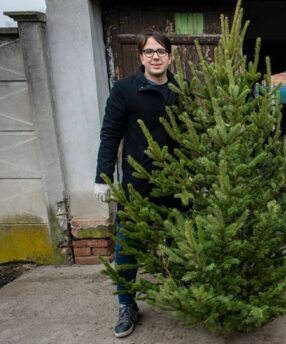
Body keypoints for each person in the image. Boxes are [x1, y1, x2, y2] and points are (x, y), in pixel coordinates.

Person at [94, 31, 178, 338]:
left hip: (175, 184)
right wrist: (103, 177)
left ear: (170, 56)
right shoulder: (125, 90)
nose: (155, 56)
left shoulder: (179, 91)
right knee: (128, 246)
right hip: (137, 183)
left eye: (160, 51)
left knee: (178, 242)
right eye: (148, 51)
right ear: (140, 57)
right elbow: (110, 134)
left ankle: (182, 298)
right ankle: (127, 305)